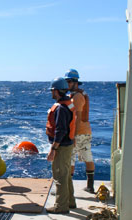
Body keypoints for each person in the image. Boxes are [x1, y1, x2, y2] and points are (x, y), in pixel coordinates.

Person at [46, 77, 76, 214]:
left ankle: (61, 206)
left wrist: (53, 149)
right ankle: (70, 201)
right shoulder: (67, 104)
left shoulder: (60, 109)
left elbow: (60, 130)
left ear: (57, 91)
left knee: (60, 176)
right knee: (66, 174)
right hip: (68, 145)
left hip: (62, 146)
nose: (51, 93)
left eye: (52, 90)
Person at [65, 69, 95, 193]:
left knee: (71, 159)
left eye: (69, 81)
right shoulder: (78, 95)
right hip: (85, 131)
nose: (67, 84)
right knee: (87, 157)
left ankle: (67, 189)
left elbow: (77, 116)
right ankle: (90, 186)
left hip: (79, 133)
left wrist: (73, 135)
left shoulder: (77, 97)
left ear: (75, 82)